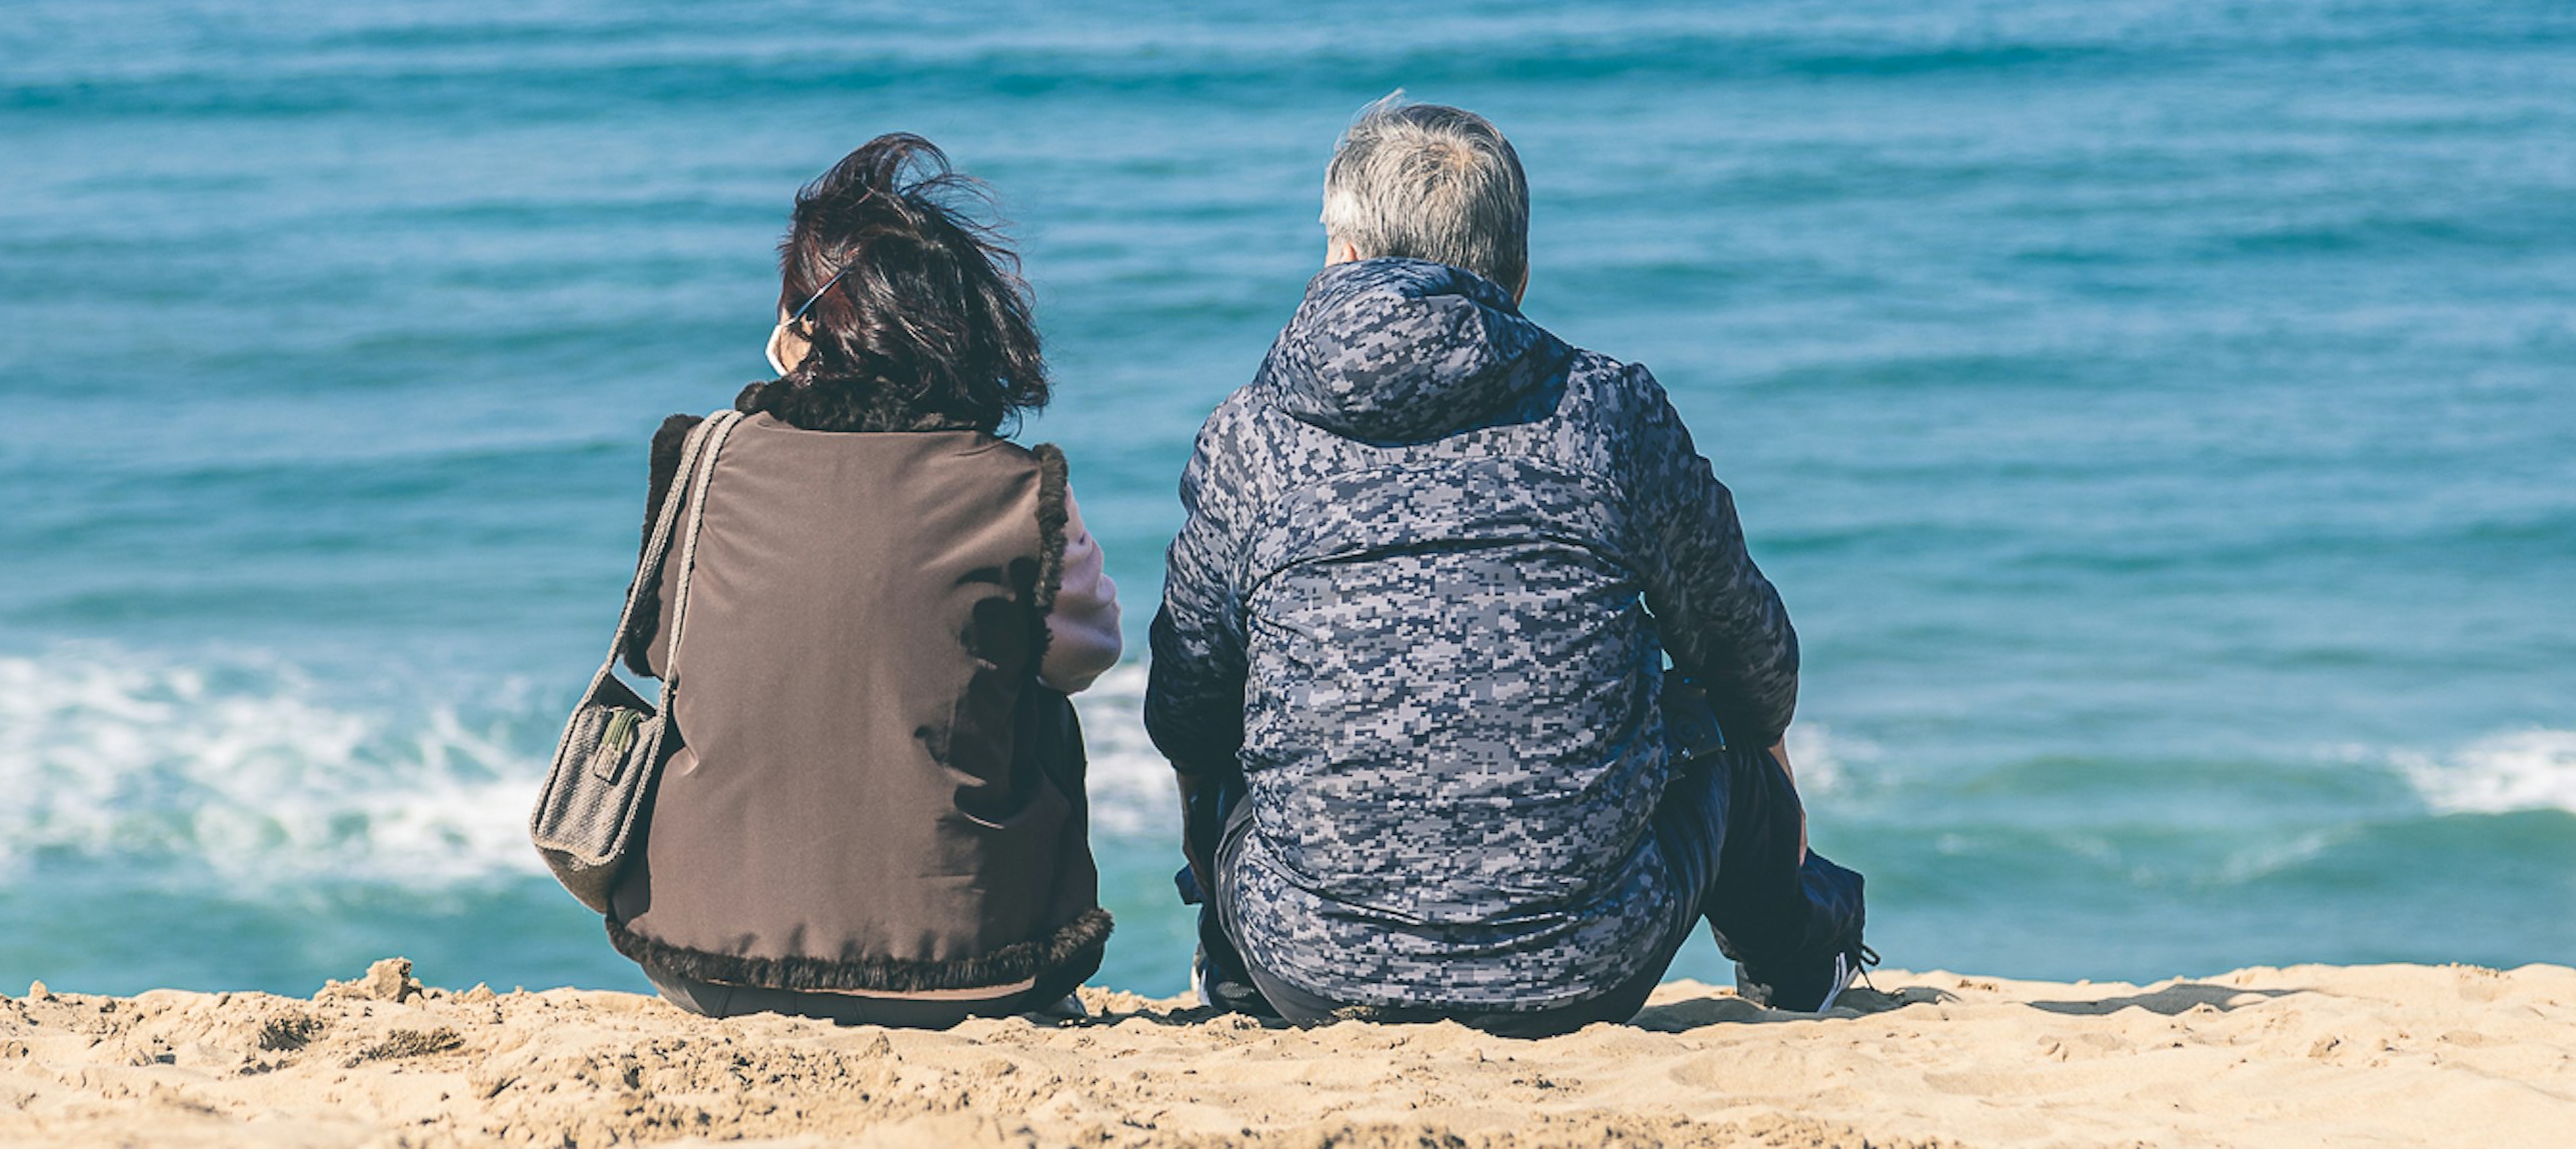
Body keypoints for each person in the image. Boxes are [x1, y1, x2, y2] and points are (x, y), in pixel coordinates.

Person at [1146, 98, 1867, 1032]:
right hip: (1585, 966)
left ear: (1346, 260)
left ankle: (1233, 975)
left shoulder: (1249, 434)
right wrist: (1770, 768)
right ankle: (1795, 959)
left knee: (1239, 716)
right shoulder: (1608, 411)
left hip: (1311, 966)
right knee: (1708, 707)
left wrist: (1214, 840)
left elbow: (1187, 704)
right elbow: (1744, 645)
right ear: (1516, 275)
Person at [608, 134, 1121, 1025]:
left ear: (802, 324)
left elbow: (659, 651)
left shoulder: (702, 458)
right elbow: (1087, 655)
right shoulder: (1015, 487)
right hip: (967, 972)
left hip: (703, 954)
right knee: (1037, 692)